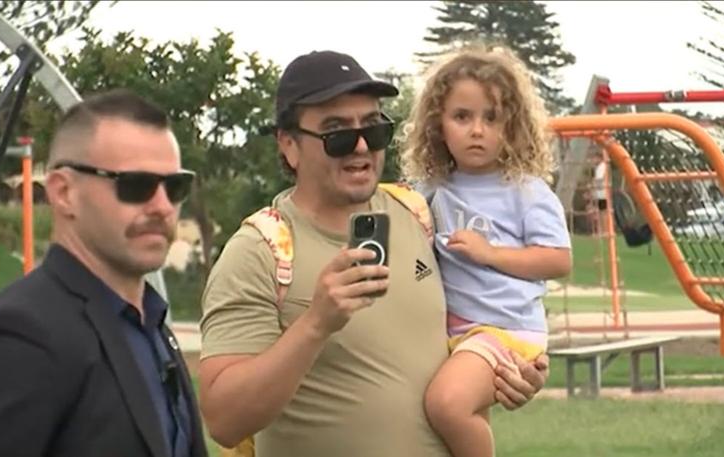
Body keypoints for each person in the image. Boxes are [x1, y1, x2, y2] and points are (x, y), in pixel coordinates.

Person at [198, 50, 550, 457]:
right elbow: (224, 420)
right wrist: (315, 324)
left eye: (374, 128)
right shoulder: (259, 250)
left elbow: (488, 311)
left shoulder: (420, 213)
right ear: (289, 145)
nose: (362, 146)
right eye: (337, 133)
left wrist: (514, 372)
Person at [0, 89, 208, 457]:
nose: (163, 206)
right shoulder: (25, 332)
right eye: (136, 185)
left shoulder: (150, 323)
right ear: (64, 193)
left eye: (175, 186)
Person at [398, 45, 572, 457]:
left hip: (504, 328)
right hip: (450, 330)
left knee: (447, 405)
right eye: (462, 116)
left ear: (512, 127)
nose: (477, 130)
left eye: (491, 118)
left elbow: (558, 260)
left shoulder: (526, 191)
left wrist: (489, 253)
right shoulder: (430, 189)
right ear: (437, 125)